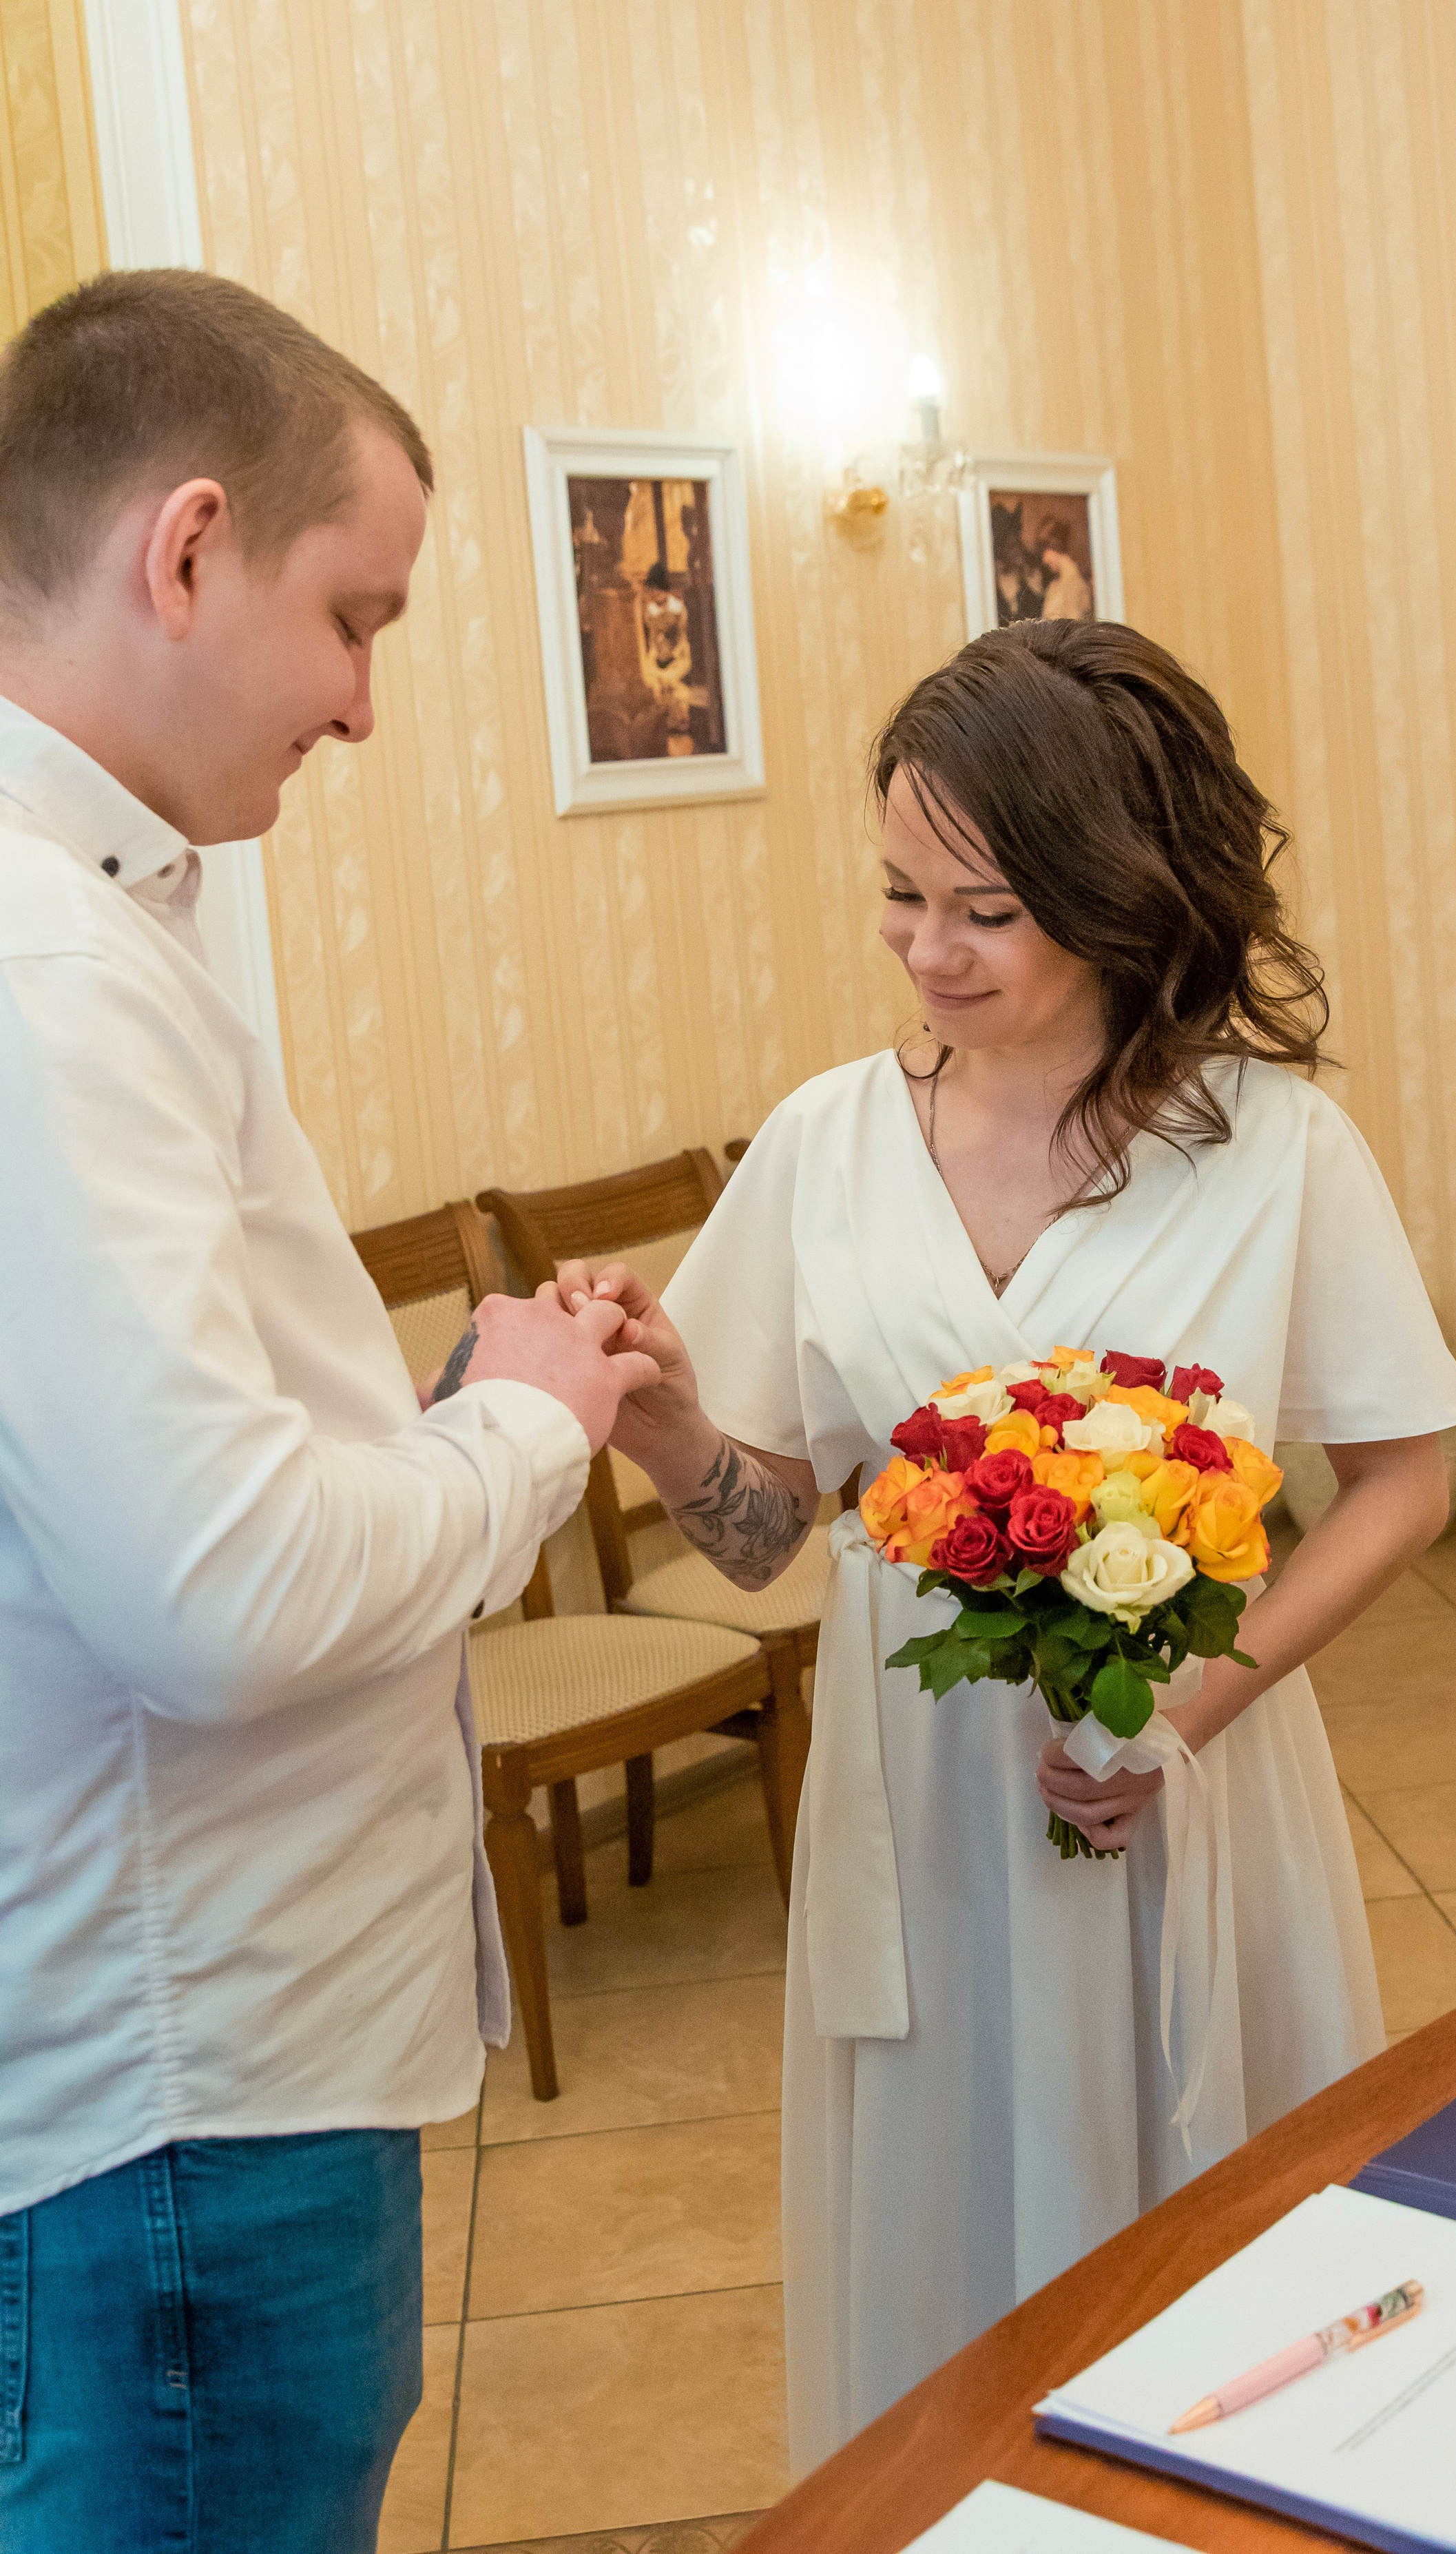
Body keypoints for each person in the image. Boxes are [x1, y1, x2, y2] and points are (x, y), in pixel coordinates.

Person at [576, 619, 1456, 2471]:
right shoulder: (828, 1145)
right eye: (900, 896)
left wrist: (1190, 1713)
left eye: (984, 909)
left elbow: (1410, 1474)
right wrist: (664, 1419)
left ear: (1117, 894)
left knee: (1212, 2254)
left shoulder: (1274, 1151)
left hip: (1183, 1780)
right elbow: (763, 1535)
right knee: (948, 2273)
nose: (928, 951)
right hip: (921, 1813)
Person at [0, 270, 657, 2551]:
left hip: (207, 2064)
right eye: (354, 618)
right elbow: (214, 1589)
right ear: (186, 550)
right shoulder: (50, 972)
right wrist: (525, 1432)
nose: (367, 703)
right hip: (181, 2097)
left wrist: (440, 1412)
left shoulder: (95, 923)